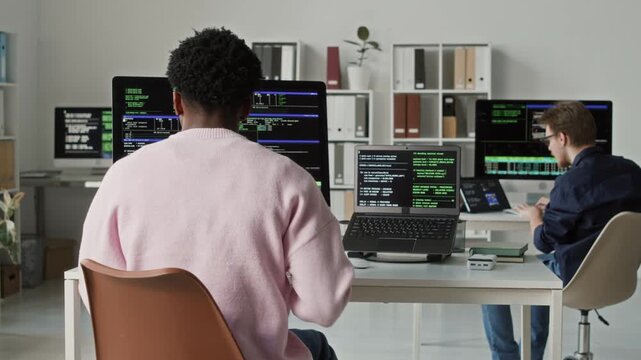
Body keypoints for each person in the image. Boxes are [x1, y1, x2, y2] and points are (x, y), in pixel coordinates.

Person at [78, 28, 353, 360]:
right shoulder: (291, 181)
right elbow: (324, 307)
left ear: (176, 100)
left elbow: (94, 293)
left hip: (152, 354)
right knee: (315, 344)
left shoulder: (121, 176)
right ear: (248, 106)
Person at [481, 101, 641, 360]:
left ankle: (508, 357)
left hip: (575, 278)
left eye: (548, 140)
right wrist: (558, 207)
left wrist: (535, 216)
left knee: (491, 275)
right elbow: (603, 215)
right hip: (620, 278)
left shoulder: (570, 183)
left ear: (563, 137)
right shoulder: (632, 171)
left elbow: (544, 242)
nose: (549, 147)